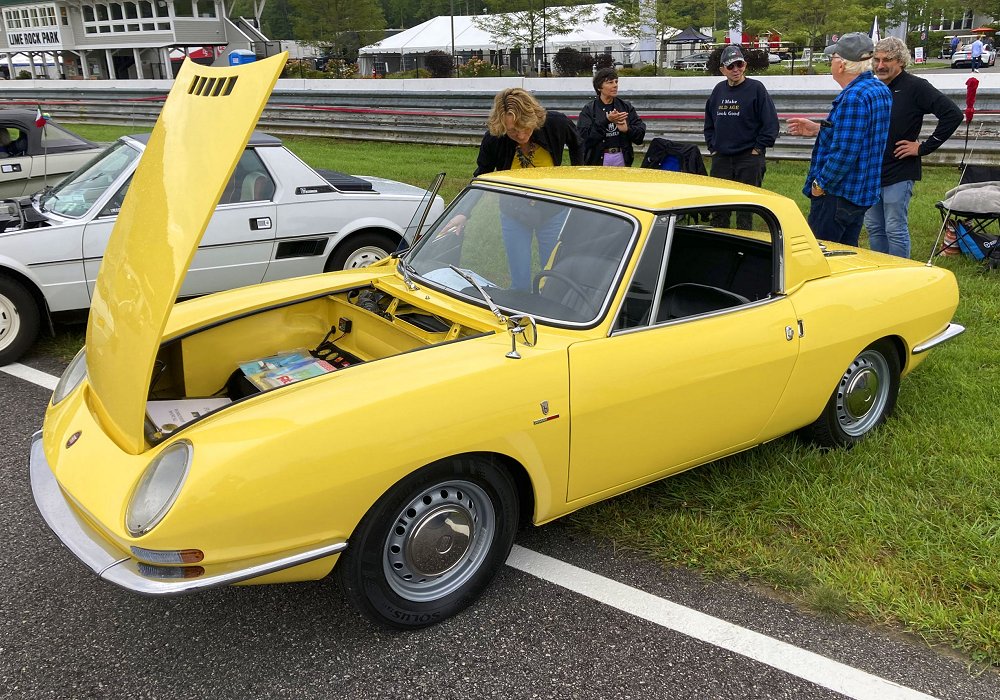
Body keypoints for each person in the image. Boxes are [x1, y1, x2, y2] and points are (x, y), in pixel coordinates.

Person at [472, 87, 583, 289]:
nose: (521, 135)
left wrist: (576, 175)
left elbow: (578, 143)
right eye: (513, 131)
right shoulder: (493, 139)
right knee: (520, 280)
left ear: (533, 118)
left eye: (525, 127)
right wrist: (464, 213)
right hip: (513, 213)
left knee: (552, 277)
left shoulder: (556, 123)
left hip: (553, 210)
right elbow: (482, 174)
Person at [787, 33, 891, 247]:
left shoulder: (854, 97)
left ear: (842, 65)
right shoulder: (878, 88)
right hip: (860, 192)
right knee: (846, 254)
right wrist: (819, 129)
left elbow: (845, 152)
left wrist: (820, 184)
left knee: (822, 254)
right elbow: (862, 136)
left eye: (832, 58)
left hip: (839, 195)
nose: (830, 63)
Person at [865, 37, 962, 258]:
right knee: (874, 226)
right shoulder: (871, 86)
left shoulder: (916, 86)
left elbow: (952, 114)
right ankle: (880, 272)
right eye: (877, 59)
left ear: (900, 61)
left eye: (887, 60)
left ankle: (901, 276)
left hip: (899, 169)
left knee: (894, 227)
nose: (880, 65)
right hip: (870, 171)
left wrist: (923, 148)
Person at [703, 44, 779, 228]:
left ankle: (744, 247)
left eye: (739, 64)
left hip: (748, 158)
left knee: (746, 209)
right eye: (731, 66)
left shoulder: (756, 88)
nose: (736, 70)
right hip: (721, 158)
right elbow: (709, 122)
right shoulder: (718, 90)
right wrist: (712, 147)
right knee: (719, 208)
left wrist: (758, 148)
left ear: (745, 65)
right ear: (723, 70)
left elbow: (771, 123)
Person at [578, 67, 646, 167]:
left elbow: (640, 136)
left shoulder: (625, 107)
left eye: (616, 82)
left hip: (621, 158)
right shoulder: (589, 109)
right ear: (599, 87)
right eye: (610, 82)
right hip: (598, 160)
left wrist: (627, 129)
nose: (615, 85)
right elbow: (584, 139)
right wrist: (606, 121)